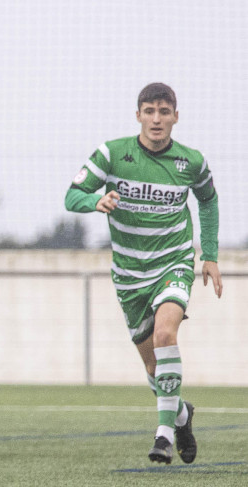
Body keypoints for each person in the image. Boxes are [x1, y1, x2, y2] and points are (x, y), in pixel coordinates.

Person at [65, 82, 222, 464]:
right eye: (149, 112)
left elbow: (208, 200)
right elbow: (72, 195)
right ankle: (182, 415)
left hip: (174, 262)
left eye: (164, 112)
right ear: (138, 115)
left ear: (175, 117)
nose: (156, 119)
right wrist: (95, 200)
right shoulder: (111, 154)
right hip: (130, 274)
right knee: (153, 367)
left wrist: (210, 254)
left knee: (166, 332)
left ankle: (164, 435)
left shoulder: (191, 162)